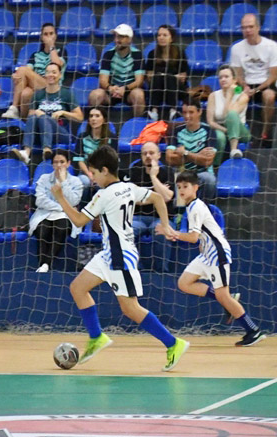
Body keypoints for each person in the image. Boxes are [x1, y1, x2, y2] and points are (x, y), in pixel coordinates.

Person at [51, 145, 189, 371]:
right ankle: (97, 337)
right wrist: (165, 224)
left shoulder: (103, 195)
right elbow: (157, 198)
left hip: (120, 256)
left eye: (94, 173)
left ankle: (173, 343)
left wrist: (60, 198)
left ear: (105, 171)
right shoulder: (128, 187)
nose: (92, 177)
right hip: (108, 253)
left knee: (130, 309)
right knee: (77, 288)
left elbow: (77, 221)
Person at [157, 170, 265, 347]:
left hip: (217, 254)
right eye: (179, 187)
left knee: (224, 296)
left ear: (195, 188)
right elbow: (199, 236)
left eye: (185, 186)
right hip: (206, 254)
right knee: (184, 283)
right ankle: (227, 300)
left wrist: (172, 233)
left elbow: (192, 237)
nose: (182, 190)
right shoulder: (191, 207)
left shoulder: (196, 207)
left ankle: (253, 330)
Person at [10, 62, 83, 164]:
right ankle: (26, 153)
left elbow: (80, 117)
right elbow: (30, 117)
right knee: (35, 116)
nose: (50, 75)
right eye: (48, 72)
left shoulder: (67, 94)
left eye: (54, 72)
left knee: (43, 117)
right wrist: (36, 112)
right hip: (39, 135)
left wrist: (63, 112)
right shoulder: (38, 94)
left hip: (60, 134)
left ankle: (47, 150)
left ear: (60, 75)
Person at [122, 142, 176, 272]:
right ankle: (133, 270)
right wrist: (157, 197)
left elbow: (168, 197)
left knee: (161, 231)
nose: (148, 156)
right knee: (125, 231)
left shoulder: (167, 172)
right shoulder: (133, 171)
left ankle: (161, 272)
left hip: (161, 218)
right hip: (137, 217)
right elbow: (130, 198)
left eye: (151, 153)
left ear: (159, 155)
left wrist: (153, 177)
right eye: (144, 153)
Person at [28, 149, 84, 273]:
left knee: (61, 227)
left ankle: (45, 264)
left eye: (62, 162)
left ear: (68, 163)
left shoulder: (76, 182)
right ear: (52, 164)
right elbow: (40, 201)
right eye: (56, 162)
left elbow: (74, 201)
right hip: (45, 213)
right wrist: (63, 206)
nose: (59, 165)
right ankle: (44, 264)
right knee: (43, 229)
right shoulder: (44, 179)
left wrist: (64, 182)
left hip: (66, 216)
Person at [230, 13, 277, 146]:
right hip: (246, 84)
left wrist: (257, 89)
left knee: (269, 96)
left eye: (250, 27)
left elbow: (273, 76)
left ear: (258, 27)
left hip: (266, 84)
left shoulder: (272, 46)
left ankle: (265, 134)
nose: (247, 30)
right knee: (233, 91)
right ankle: (236, 134)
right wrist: (245, 87)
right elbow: (237, 75)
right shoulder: (236, 48)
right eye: (244, 28)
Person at [1, 23, 67, 120]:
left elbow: (57, 64)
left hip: (53, 86)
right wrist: (15, 75)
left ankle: (14, 107)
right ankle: (24, 120)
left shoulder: (61, 52)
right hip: (36, 85)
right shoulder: (35, 55)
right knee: (25, 93)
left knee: (22, 69)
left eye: (51, 33)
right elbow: (27, 71)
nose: (49, 37)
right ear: (41, 37)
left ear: (55, 36)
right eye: (46, 34)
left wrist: (51, 46)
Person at [165, 98, 217, 203]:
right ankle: (180, 214)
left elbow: (207, 161)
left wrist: (184, 153)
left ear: (200, 112)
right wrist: (198, 156)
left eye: (191, 112)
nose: (187, 116)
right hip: (182, 173)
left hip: (201, 173)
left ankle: (204, 208)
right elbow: (169, 159)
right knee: (178, 178)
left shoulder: (209, 131)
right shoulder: (177, 131)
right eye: (184, 112)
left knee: (210, 180)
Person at [89, 24, 145, 119]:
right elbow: (103, 80)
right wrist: (110, 88)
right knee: (95, 95)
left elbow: (139, 81)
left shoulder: (137, 55)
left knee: (138, 95)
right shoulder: (108, 54)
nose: (117, 40)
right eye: (116, 36)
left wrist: (125, 89)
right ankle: (97, 124)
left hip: (129, 91)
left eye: (121, 37)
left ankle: (138, 125)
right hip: (112, 90)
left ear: (129, 39)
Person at [206, 65, 250, 167]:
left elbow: (229, 115)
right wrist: (225, 130)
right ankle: (215, 165)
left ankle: (234, 149)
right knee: (220, 138)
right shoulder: (213, 96)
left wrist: (230, 94)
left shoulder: (243, 96)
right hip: (219, 128)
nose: (223, 79)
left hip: (240, 131)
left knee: (232, 114)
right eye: (220, 77)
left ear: (234, 80)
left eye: (226, 76)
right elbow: (210, 121)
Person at [145, 24, 189, 121]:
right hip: (158, 89)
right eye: (159, 35)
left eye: (165, 35)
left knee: (169, 78)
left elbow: (183, 77)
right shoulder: (152, 54)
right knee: (159, 78)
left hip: (176, 89)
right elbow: (149, 76)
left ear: (171, 38)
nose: (161, 38)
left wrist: (165, 75)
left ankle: (173, 111)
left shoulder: (180, 53)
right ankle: (154, 111)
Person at [74, 106, 117, 188]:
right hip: (86, 173)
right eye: (91, 116)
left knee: (101, 184)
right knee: (84, 182)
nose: (93, 119)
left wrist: (99, 176)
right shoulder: (82, 137)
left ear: (104, 119)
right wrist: (90, 174)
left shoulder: (112, 138)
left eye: (97, 116)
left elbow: (113, 160)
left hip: (104, 173)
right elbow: (79, 160)